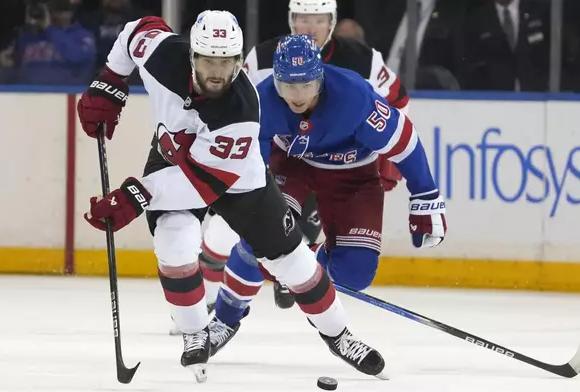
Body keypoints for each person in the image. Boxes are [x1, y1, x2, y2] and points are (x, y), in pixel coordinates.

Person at [77, 11, 386, 382]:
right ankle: (195, 334)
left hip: (238, 180)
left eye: (227, 62)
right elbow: (135, 31)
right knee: (174, 242)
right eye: (208, 60)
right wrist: (109, 82)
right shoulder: (161, 53)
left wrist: (135, 195)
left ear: (239, 61)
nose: (217, 71)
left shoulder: (241, 109)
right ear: (191, 54)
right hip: (172, 155)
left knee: (292, 261)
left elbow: (202, 183)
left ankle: (339, 335)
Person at [206, 34, 447, 361]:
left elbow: (404, 142)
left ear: (320, 77)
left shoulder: (354, 97)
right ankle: (224, 320)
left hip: (354, 176)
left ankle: (300, 265)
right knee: (260, 237)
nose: (296, 95)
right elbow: (252, 171)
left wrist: (425, 195)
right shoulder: (261, 103)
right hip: (292, 165)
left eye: (305, 84)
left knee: (356, 274)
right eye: (287, 85)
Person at [198, 0, 410, 315]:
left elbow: (398, 103)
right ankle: (207, 303)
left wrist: (390, 160)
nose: (310, 28)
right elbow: (233, 106)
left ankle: (298, 269)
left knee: (298, 238)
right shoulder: (264, 57)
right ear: (290, 20)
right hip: (282, 163)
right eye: (301, 19)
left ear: (332, 22)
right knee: (219, 235)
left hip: (338, 165)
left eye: (319, 19)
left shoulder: (363, 61)